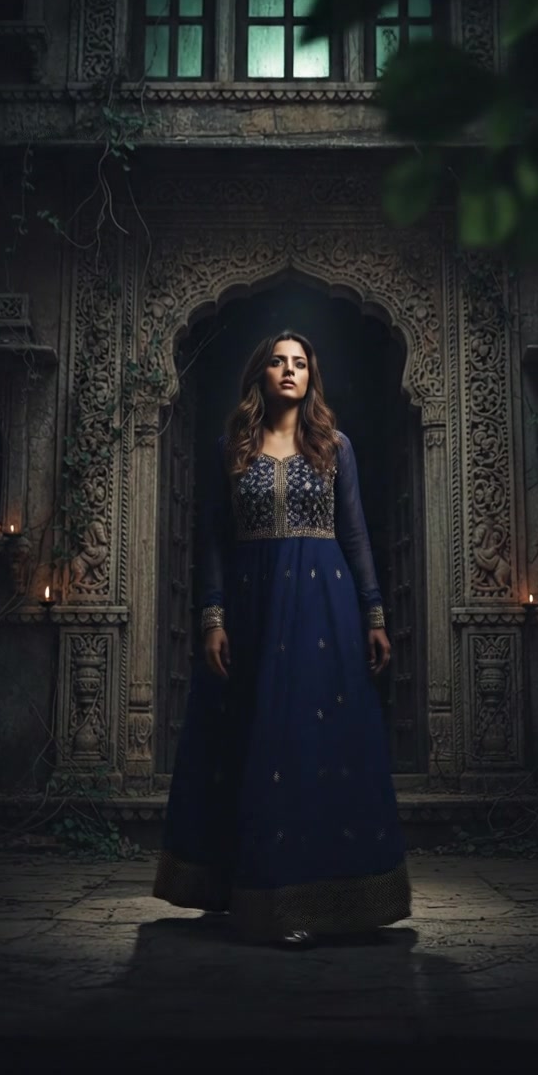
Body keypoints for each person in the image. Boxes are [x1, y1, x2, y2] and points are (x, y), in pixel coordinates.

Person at [153, 331, 411, 946]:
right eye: (277, 361)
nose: (289, 371)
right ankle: (252, 893)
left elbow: (356, 535)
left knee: (313, 740)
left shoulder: (333, 447)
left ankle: (329, 898)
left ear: (310, 377)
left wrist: (374, 615)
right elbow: (214, 541)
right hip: (253, 605)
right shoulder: (232, 449)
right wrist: (212, 618)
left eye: (300, 363)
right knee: (254, 742)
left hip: (324, 606)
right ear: (260, 374)